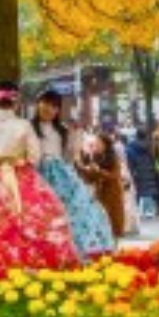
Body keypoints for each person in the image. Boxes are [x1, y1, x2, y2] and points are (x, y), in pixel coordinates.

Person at [0, 81, 81, 286]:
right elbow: (35, 156)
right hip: (22, 175)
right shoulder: (24, 125)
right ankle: (32, 266)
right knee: (33, 218)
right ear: (16, 101)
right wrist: (19, 160)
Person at [32, 89, 115, 259]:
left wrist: (75, 140)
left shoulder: (62, 130)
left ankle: (80, 250)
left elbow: (68, 158)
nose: (49, 109)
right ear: (38, 104)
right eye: (46, 103)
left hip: (63, 176)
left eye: (54, 106)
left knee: (82, 209)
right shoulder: (29, 128)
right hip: (38, 174)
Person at [78, 122, 131, 239]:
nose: (95, 145)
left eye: (98, 143)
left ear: (105, 145)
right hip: (99, 196)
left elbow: (115, 176)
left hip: (112, 196)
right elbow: (90, 179)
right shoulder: (94, 157)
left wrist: (98, 171)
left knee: (112, 227)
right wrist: (83, 169)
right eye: (94, 143)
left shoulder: (113, 157)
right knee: (100, 227)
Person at [125, 125, 159, 220]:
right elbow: (155, 158)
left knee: (138, 192)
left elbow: (129, 160)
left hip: (137, 171)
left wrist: (131, 170)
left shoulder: (130, 147)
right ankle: (149, 212)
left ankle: (139, 211)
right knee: (148, 192)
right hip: (149, 171)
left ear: (137, 135)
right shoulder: (150, 146)